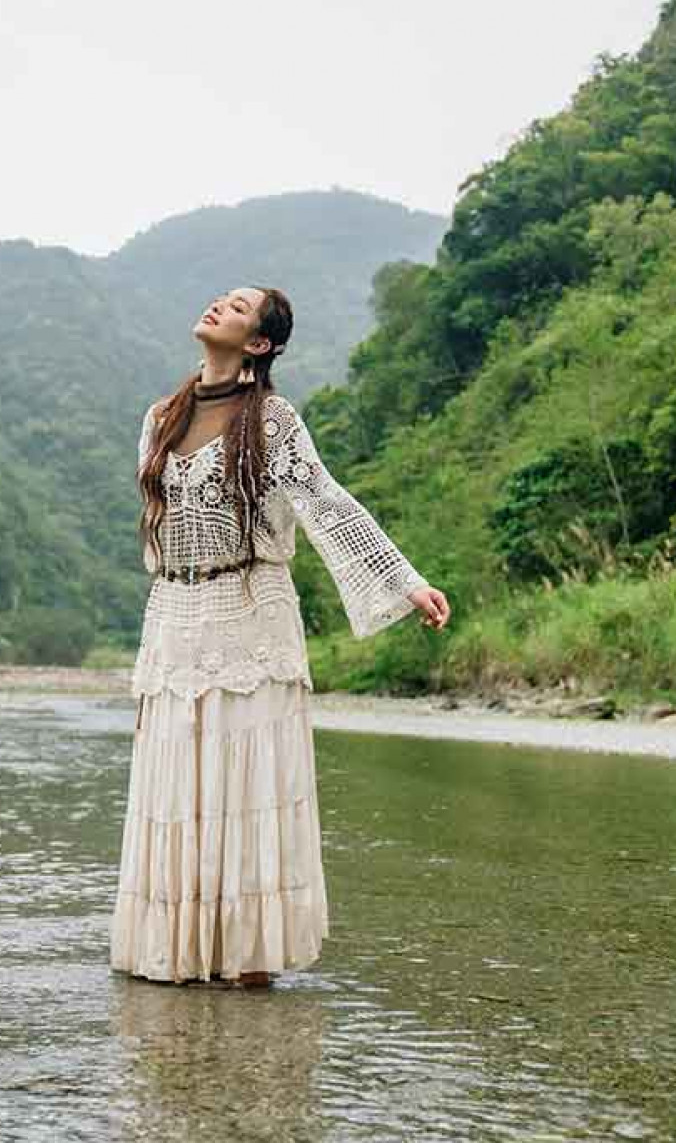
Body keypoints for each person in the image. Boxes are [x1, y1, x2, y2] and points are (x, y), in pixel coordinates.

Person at [109, 283, 452, 989]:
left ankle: (248, 959)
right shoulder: (160, 418)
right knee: (177, 785)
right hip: (173, 615)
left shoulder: (272, 419)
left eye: (237, 308)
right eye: (220, 299)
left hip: (251, 611)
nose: (217, 307)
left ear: (259, 343)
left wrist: (404, 582)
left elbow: (326, 503)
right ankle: (179, 952)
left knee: (249, 783)